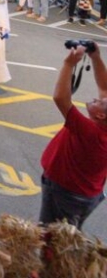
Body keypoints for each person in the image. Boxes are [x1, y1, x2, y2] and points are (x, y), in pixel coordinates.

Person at [39, 41, 107, 230]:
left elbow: (61, 98)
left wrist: (69, 64)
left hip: (66, 193)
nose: (96, 98)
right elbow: (104, 88)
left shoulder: (90, 131)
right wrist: (96, 57)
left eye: (99, 102)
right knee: (69, 232)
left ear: (100, 115)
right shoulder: (101, 126)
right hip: (88, 194)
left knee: (52, 237)